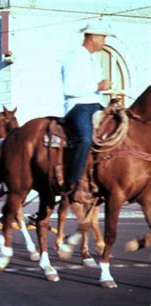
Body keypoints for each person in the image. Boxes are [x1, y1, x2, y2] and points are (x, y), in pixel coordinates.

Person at [61, 20, 114, 204]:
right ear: (92, 37)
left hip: (94, 104)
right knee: (85, 138)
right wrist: (97, 86)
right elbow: (69, 89)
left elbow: (95, 89)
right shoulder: (74, 57)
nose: (104, 42)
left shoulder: (94, 59)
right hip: (78, 106)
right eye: (103, 38)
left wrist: (105, 92)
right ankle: (72, 183)